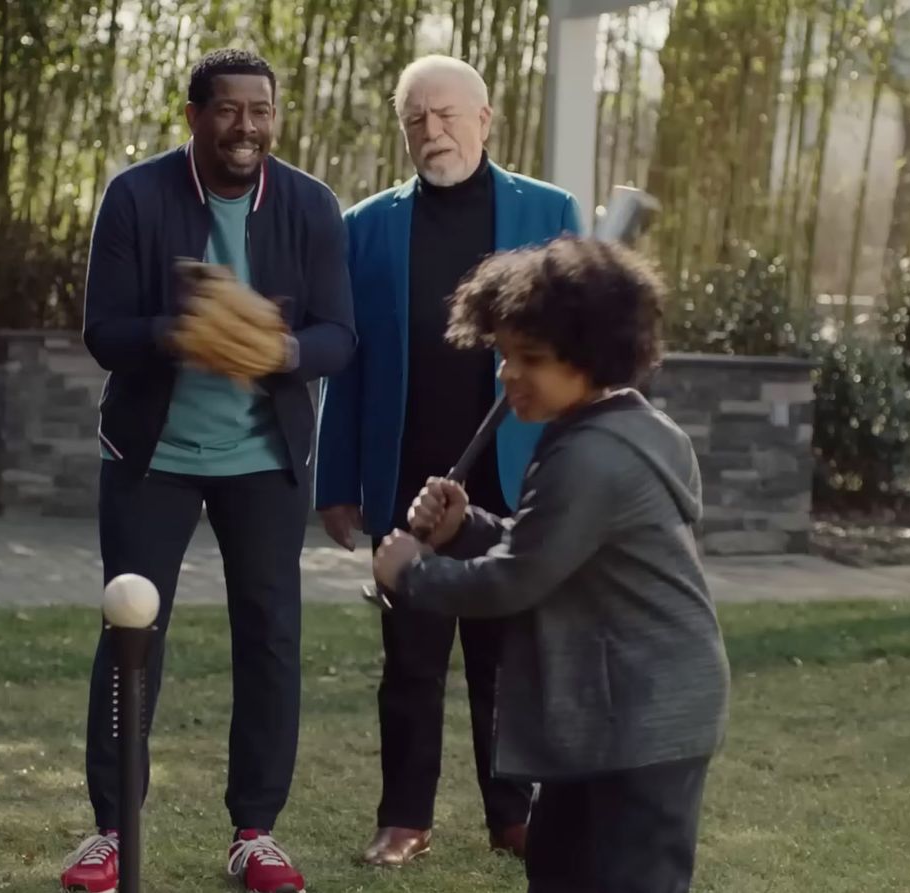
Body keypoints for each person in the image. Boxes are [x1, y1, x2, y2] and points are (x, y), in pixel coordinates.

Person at [60, 48, 354, 893]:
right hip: (153, 454)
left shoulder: (308, 205)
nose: (246, 127)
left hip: (263, 457)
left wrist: (280, 347)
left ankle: (255, 831)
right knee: (130, 632)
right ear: (193, 116)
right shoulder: (135, 197)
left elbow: (341, 335)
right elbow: (103, 332)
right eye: (228, 110)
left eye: (260, 111)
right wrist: (187, 329)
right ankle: (110, 831)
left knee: (270, 635)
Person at [371, 236, 731, 893]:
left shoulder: (593, 457)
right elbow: (552, 546)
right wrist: (465, 527)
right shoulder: (630, 427)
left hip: (646, 719)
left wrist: (411, 572)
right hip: (612, 712)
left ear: (592, 355)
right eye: (505, 355)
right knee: (560, 867)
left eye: (530, 359)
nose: (509, 375)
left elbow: (516, 580)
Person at [312, 54, 584, 866]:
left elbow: (578, 355)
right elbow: (348, 363)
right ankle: (405, 819)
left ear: (485, 119)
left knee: (508, 662)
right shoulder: (365, 227)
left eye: (447, 114)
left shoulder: (549, 211)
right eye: (416, 120)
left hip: (516, 479)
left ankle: (514, 813)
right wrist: (337, 484)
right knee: (411, 663)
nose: (433, 131)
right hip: (407, 478)